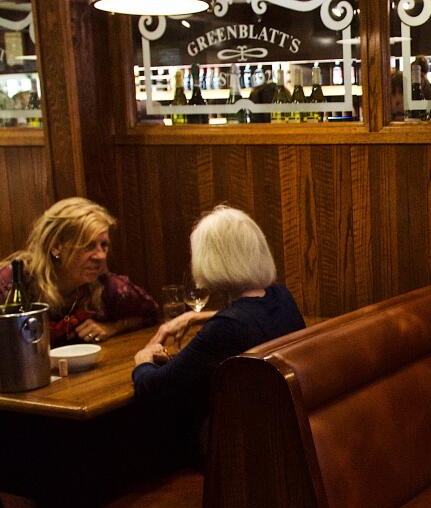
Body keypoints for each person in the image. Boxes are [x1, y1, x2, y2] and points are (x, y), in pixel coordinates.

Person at [133, 205, 305, 467]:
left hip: (238, 457)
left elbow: (155, 388)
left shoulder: (227, 328)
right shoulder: (280, 297)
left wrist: (143, 361)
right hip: (283, 441)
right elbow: (252, 314)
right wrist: (196, 316)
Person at [0, 197, 157, 346]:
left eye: (104, 245)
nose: (100, 256)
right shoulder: (13, 282)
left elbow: (150, 313)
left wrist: (112, 327)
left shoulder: (106, 286)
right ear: (56, 247)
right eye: (88, 245)